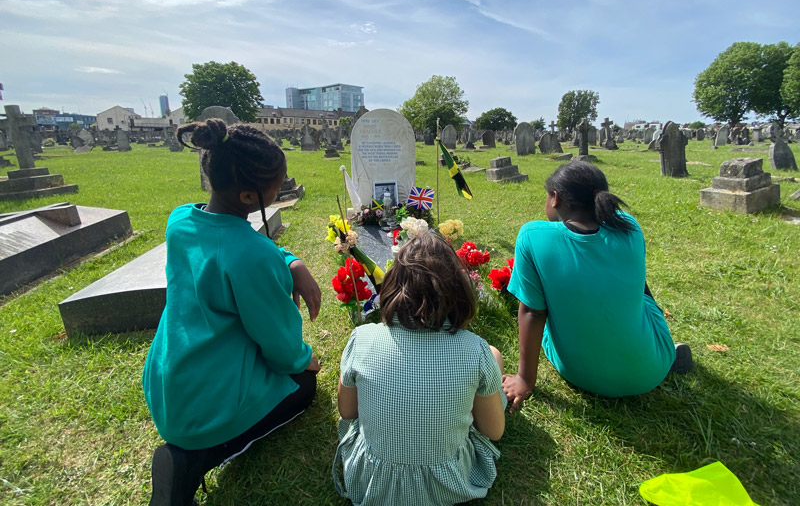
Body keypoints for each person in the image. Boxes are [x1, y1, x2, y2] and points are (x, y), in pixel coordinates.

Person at [142, 119, 322, 506]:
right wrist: (306, 360)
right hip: (207, 409)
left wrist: (289, 259)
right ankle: (197, 458)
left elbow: (237, 248)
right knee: (304, 387)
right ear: (247, 197)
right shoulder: (251, 255)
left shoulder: (180, 220)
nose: (283, 186)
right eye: (279, 182)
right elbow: (277, 342)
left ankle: (194, 449)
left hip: (168, 384)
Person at [502, 160, 691, 412]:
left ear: (555, 198)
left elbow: (532, 312)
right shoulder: (630, 228)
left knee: (546, 309)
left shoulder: (532, 236)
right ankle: (665, 351)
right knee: (642, 296)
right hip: (650, 372)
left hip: (579, 373)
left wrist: (525, 380)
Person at [334, 232, 506, 506]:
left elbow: (347, 412)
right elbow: (494, 431)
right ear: (459, 290)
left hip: (373, 483)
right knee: (493, 359)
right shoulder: (476, 350)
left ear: (392, 286)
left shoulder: (362, 338)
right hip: (448, 485)